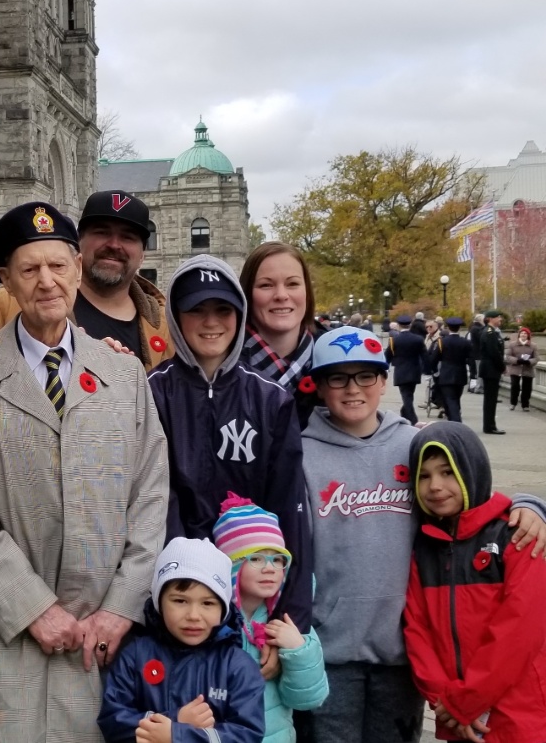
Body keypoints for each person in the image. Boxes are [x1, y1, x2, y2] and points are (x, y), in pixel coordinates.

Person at [0, 201, 169, 742]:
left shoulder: (124, 376)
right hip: (5, 633)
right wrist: (32, 607)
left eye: (58, 266)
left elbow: (150, 495)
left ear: (78, 270)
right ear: (6, 280)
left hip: (103, 640)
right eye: (30, 269)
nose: (46, 282)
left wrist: (121, 607)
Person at [300, 326, 546, 743]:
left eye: (366, 376)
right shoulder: (301, 453)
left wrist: (531, 504)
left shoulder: (411, 443)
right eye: (338, 378)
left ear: (383, 380)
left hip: (404, 654)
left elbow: (469, 495)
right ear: (320, 386)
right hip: (330, 651)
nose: (353, 388)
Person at [149, 254, 313, 632]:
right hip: (176, 598)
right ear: (175, 316)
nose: (211, 322)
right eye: (197, 309)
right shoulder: (149, 393)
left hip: (252, 597)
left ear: (239, 315)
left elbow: (290, 508)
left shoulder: (270, 399)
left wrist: (290, 621)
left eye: (223, 309)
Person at [403, 423, 546, 743]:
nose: (435, 486)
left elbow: (521, 631)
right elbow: (416, 628)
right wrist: (445, 702)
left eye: (447, 472)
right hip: (457, 719)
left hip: (519, 716)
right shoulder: (423, 547)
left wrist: (465, 703)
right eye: (423, 476)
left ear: (472, 468)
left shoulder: (515, 533)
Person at [0, 189, 173, 369]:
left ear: (142, 254)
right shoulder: (2, 305)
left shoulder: (168, 325)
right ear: (78, 242)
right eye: (101, 232)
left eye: (128, 237)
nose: (114, 245)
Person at [98, 537, 266, 743]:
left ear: (223, 609)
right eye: (180, 600)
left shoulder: (238, 666)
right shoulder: (135, 656)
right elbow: (112, 720)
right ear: (159, 601)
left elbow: (247, 734)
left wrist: (177, 735)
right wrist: (175, 719)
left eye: (207, 603)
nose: (193, 615)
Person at [212, 495, 327, 743]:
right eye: (255, 558)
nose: (270, 568)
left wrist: (298, 648)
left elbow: (308, 699)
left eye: (277, 559)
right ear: (232, 566)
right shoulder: (212, 621)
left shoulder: (289, 621)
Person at [238, 242, 324, 427]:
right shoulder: (219, 367)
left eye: (292, 283)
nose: (281, 295)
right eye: (266, 285)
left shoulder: (338, 360)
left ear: (307, 291)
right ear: (246, 294)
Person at [426, 317, 470, 423]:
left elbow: (434, 358)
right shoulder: (465, 342)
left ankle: (455, 420)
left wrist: (432, 370)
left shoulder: (442, 342)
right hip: (461, 373)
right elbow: (470, 358)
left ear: (448, 328)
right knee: (456, 397)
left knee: (450, 398)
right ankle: (453, 417)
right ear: (459, 328)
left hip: (446, 373)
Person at [385, 315, 425, 425]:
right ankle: (405, 414)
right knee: (409, 395)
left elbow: (388, 355)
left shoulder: (394, 340)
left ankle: (413, 420)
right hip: (414, 370)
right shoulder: (418, 339)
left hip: (401, 371)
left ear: (398, 325)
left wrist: (384, 367)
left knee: (406, 396)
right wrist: (428, 369)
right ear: (410, 324)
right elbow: (424, 356)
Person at [477, 310, 506, 434]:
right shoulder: (490, 333)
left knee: (491, 399)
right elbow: (494, 353)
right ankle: (489, 426)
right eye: (498, 317)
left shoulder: (492, 332)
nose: (500, 319)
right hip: (491, 369)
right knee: (490, 399)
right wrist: (502, 367)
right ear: (490, 319)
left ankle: (490, 425)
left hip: (490, 369)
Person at [504, 325, 538, 412]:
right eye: (522, 333)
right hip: (515, 368)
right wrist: (517, 360)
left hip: (527, 369)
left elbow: (536, 358)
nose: (523, 335)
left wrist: (529, 361)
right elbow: (508, 356)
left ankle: (525, 405)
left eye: (525, 334)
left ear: (528, 335)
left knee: (527, 388)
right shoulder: (512, 345)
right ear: (519, 335)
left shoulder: (533, 346)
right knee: (515, 386)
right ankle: (513, 403)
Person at [467, 314, 484, 393]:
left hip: (474, 353)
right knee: (478, 371)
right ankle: (478, 387)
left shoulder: (473, 329)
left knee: (474, 371)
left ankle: (473, 386)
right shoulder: (478, 329)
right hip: (478, 354)